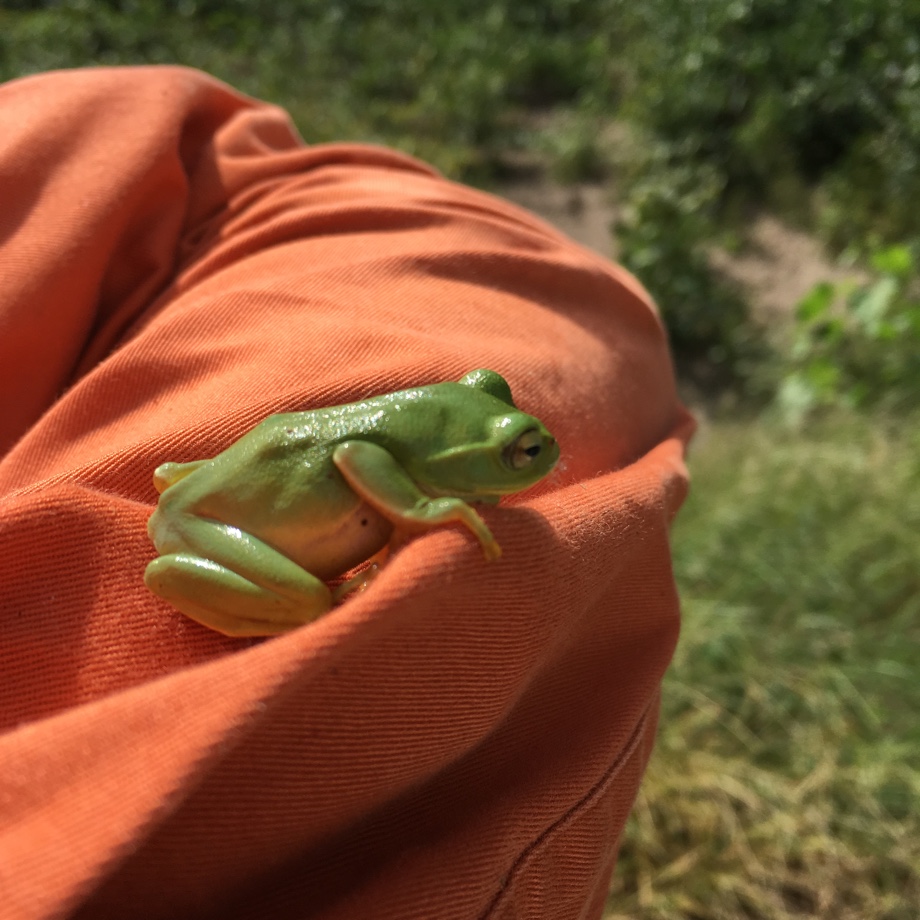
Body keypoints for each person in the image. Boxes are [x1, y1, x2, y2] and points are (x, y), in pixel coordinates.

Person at [0, 65, 693, 919]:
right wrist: (424, 514)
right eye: (518, 452)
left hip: (220, 458)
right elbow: (362, 453)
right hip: (218, 524)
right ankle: (297, 607)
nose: (538, 451)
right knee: (310, 605)